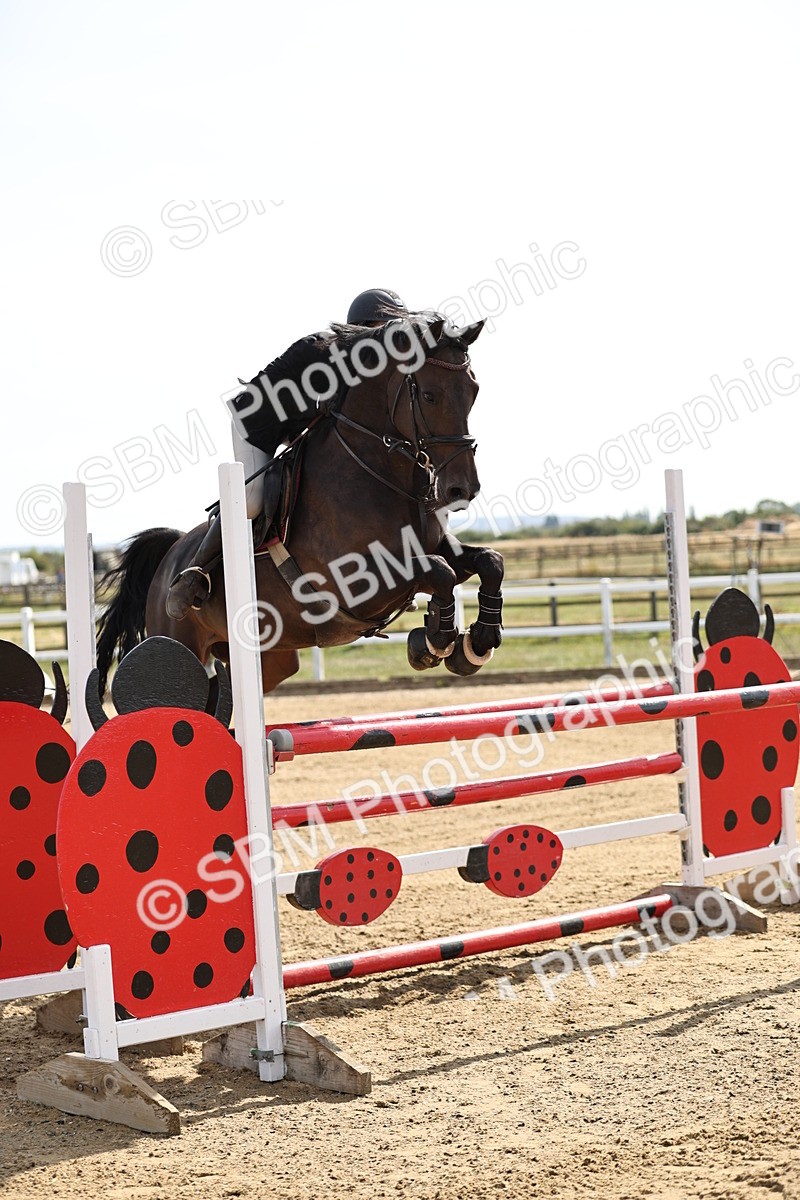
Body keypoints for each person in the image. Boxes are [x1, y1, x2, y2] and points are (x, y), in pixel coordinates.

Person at [165, 288, 409, 620]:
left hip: (300, 426)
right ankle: (196, 572)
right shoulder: (322, 351)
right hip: (256, 423)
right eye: (390, 328)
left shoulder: (372, 367)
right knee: (251, 499)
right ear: (365, 327)